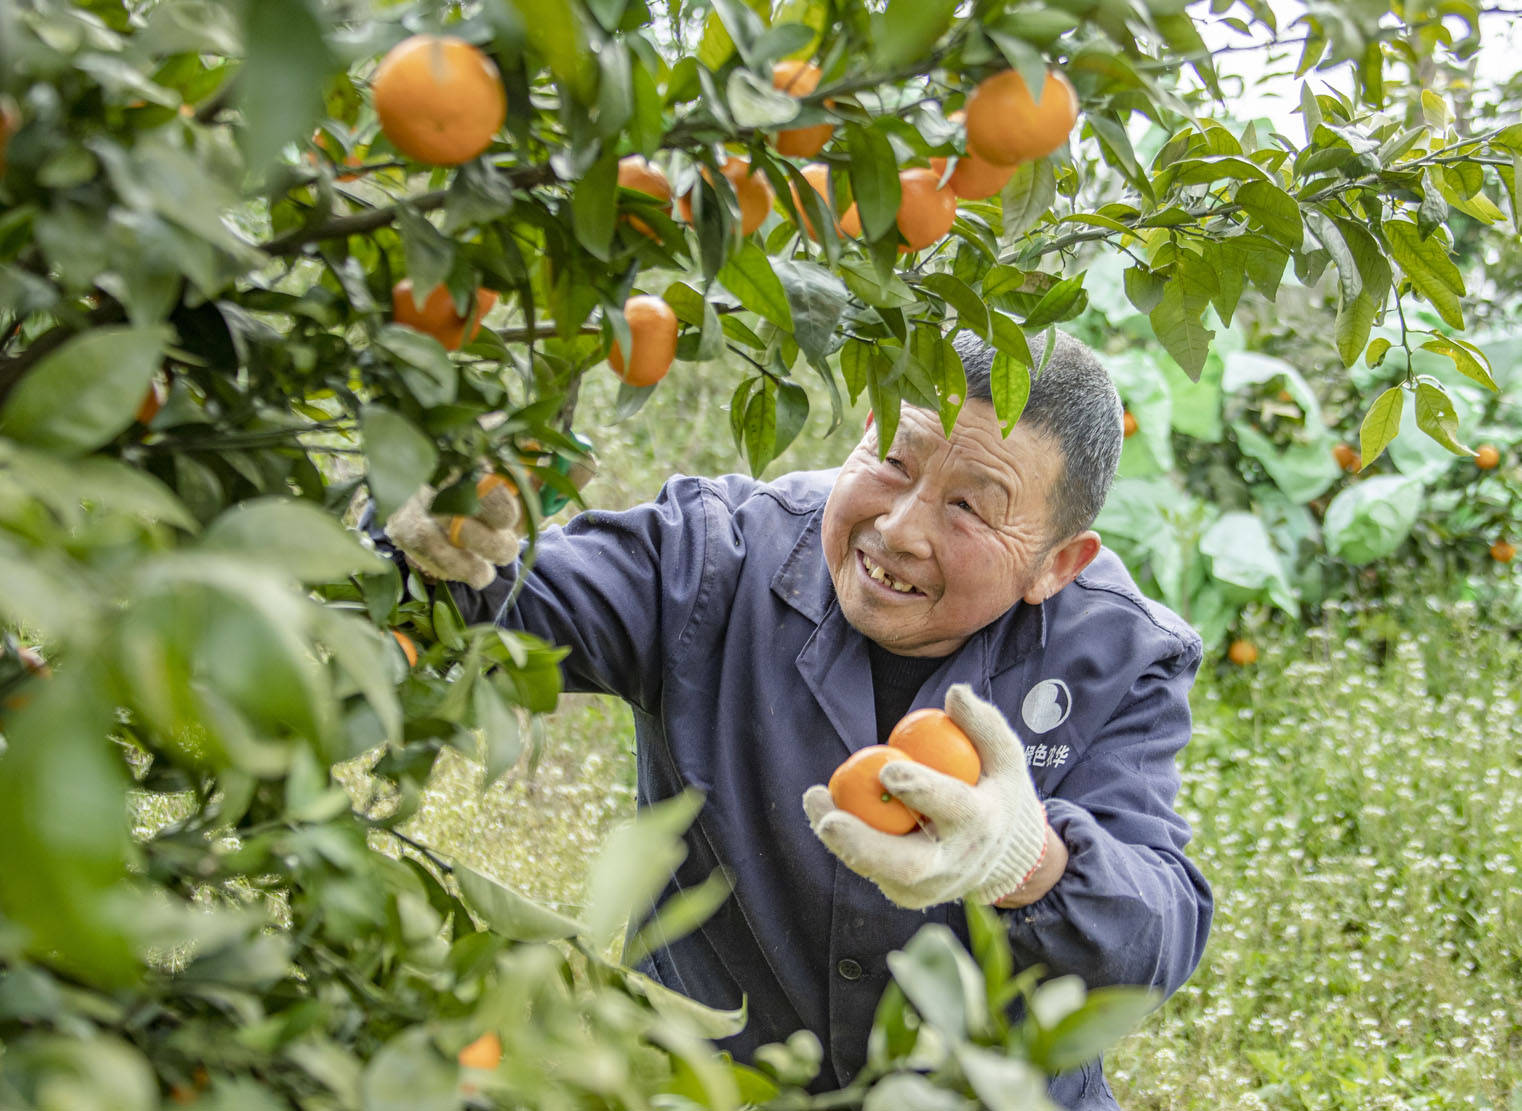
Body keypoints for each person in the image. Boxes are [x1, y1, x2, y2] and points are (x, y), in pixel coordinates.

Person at [377, 329, 1212, 1109]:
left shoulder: (1121, 656)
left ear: (1057, 562)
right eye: (892, 458)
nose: (900, 527)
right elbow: (493, 605)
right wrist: (430, 537)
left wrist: (1026, 859)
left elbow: (1153, 936)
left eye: (969, 506)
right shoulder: (718, 558)